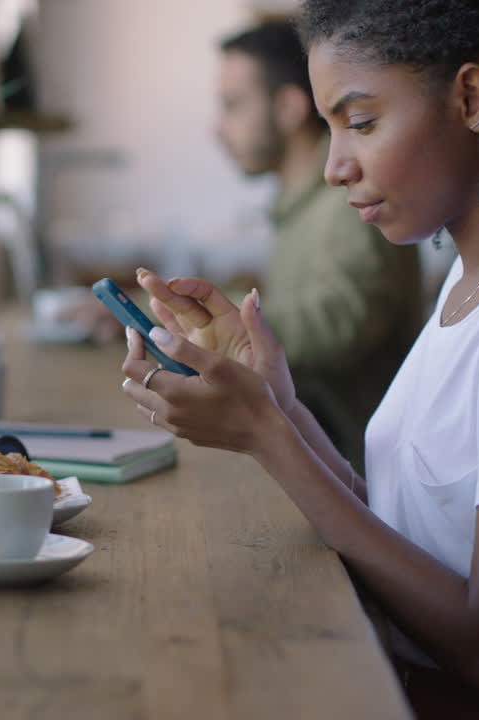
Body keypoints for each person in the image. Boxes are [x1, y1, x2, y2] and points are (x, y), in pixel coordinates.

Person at [118, 1, 479, 718]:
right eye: (330, 127)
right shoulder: (475, 281)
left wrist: (267, 436)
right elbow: (403, 539)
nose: (334, 167)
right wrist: (278, 401)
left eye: (362, 122)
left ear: (472, 98)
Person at [67, 21, 422, 472]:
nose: (218, 129)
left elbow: (337, 328)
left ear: (289, 107)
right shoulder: (300, 205)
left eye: (233, 106)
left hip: (351, 466)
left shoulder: (352, 203)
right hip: (312, 451)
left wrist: (204, 325)